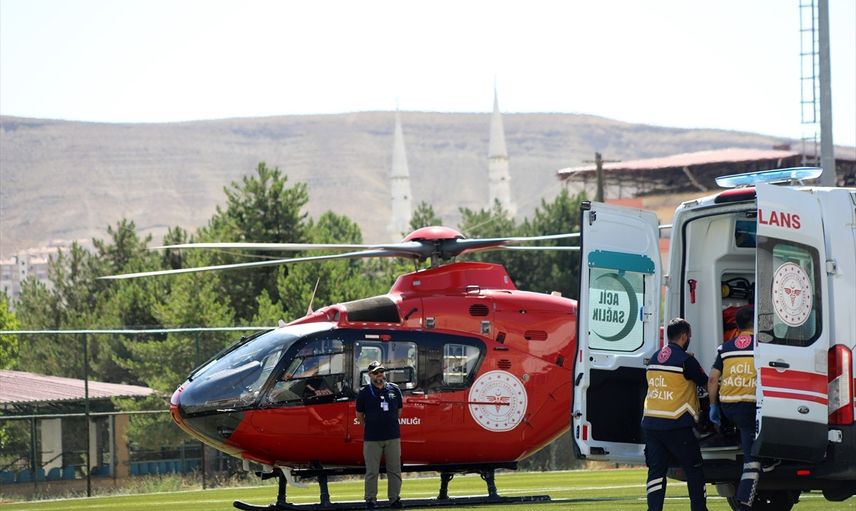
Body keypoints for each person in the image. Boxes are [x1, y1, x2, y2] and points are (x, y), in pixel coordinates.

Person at [642, 318, 709, 511]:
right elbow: (706, 383)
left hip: (651, 424)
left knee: (656, 472)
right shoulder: (686, 361)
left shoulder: (654, 358)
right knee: (694, 469)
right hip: (676, 424)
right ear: (684, 336)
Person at [708, 306, 758, 510]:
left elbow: (713, 379)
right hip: (751, 407)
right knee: (752, 461)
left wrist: (713, 406)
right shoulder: (762, 346)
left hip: (728, 407)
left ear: (737, 325)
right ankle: (744, 502)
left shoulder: (725, 348)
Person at [355, 361, 403, 509]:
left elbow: (399, 410)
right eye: (376, 372)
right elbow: (359, 415)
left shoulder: (394, 389)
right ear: (370, 375)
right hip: (372, 439)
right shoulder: (364, 393)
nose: (379, 375)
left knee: (394, 470)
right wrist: (370, 426)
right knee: (372, 472)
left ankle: (394, 499)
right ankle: (370, 500)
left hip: (392, 436)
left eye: (381, 371)